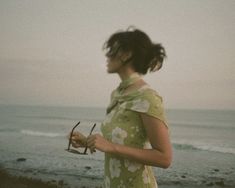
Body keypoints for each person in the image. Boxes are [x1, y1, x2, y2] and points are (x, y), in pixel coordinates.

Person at [70, 27, 172, 188]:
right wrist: (87, 141)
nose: (107, 55)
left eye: (111, 50)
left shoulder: (147, 97)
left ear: (126, 54)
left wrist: (112, 147)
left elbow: (165, 158)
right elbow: (118, 142)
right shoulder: (117, 94)